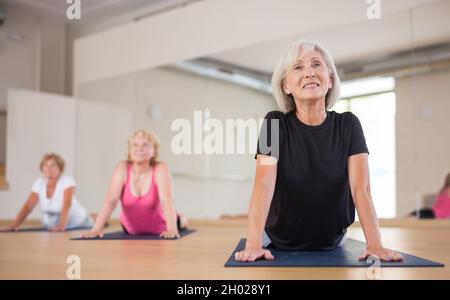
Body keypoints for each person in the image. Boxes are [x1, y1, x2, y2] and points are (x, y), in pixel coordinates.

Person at [235, 40, 403, 262]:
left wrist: (375, 244)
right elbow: (263, 184)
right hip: (278, 241)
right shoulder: (273, 125)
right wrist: (254, 244)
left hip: (332, 242)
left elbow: (361, 189)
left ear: (330, 79)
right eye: (298, 67)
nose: (309, 73)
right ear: (286, 85)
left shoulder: (349, 125)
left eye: (316, 65)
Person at [83, 129, 187, 238]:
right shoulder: (122, 168)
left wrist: (172, 229)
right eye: (135, 145)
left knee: (182, 221)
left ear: (154, 151)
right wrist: (96, 229)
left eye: (145, 145)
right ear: (129, 150)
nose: (139, 148)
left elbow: (166, 200)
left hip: (162, 226)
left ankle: (182, 218)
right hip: (131, 229)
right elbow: (111, 200)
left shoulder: (160, 168)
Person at [0, 153, 93, 232]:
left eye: (53, 165)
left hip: (78, 221)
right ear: (42, 168)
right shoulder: (39, 183)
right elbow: (28, 206)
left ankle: (96, 217)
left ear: (60, 168)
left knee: (93, 220)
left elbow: (66, 204)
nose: (49, 168)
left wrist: (61, 225)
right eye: (46, 165)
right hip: (50, 225)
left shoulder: (67, 180)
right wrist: (14, 225)